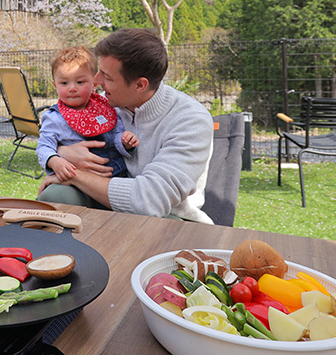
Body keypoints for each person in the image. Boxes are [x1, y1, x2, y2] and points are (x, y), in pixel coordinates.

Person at [38, 29, 214, 223]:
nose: (96, 81)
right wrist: (62, 153)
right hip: (102, 202)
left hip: (168, 217)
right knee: (56, 195)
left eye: (107, 77)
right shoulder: (104, 105)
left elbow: (149, 201)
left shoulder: (191, 121)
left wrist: (74, 175)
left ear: (140, 85)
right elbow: (53, 136)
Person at [37, 45, 138, 180]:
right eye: (64, 83)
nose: (72, 88)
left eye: (80, 82)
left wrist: (125, 142)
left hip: (115, 176)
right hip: (79, 179)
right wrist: (54, 161)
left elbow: (116, 135)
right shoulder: (54, 117)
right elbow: (44, 146)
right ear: (55, 85)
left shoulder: (106, 107)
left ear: (94, 84)